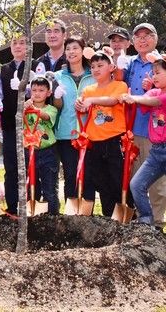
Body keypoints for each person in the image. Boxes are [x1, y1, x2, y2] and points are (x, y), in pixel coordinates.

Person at [122, 56, 166, 243]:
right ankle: (145, 220)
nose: (154, 76)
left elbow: (158, 102)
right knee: (136, 184)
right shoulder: (153, 93)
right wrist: (139, 96)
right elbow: (147, 102)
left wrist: (133, 97)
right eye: (153, 72)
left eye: (158, 73)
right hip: (156, 150)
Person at [121, 23, 166, 229]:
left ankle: (157, 221)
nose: (142, 40)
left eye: (147, 35)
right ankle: (143, 218)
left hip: (156, 129)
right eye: (138, 36)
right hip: (133, 128)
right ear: (133, 41)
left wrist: (155, 85)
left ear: (156, 39)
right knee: (136, 176)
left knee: (156, 178)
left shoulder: (163, 62)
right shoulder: (130, 63)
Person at [76, 48, 128, 217]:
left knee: (118, 180)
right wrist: (80, 105)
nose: (96, 69)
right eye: (93, 66)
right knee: (101, 182)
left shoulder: (120, 85)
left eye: (100, 65)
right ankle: (108, 217)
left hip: (114, 140)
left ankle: (127, 218)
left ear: (111, 67)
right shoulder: (88, 90)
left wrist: (91, 101)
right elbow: (84, 111)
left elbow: (113, 101)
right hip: (94, 142)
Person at [53, 36, 96, 206]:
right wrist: (57, 97)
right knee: (70, 174)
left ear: (83, 50)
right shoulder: (58, 76)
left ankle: (87, 217)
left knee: (88, 175)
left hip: (90, 133)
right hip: (66, 134)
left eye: (75, 48)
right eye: (68, 48)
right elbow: (56, 106)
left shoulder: (93, 74)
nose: (71, 52)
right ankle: (71, 217)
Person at [0, 34, 38, 215]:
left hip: (31, 125)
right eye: (14, 43)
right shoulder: (5, 68)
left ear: (29, 46)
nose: (18, 46)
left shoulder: (35, 65)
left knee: (31, 167)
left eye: (22, 42)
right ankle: (12, 207)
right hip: (9, 125)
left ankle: (32, 205)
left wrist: (28, 91)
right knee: (11, 168)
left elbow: (43, 92)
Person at [24, 77, 59, 214]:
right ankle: (32, 215)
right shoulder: (25, 108)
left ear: (49, 93)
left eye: (41, 90)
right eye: (34, 90)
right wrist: (23, 108)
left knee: (49, 188)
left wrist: (33, 109)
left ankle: (52, 216)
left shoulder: (51, 109)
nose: (37, 93)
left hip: (48, 151)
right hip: (29, 151)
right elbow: (19, 119)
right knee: (30, 187)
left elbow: (45, 117)